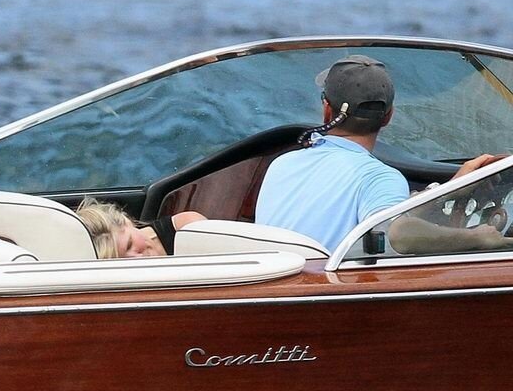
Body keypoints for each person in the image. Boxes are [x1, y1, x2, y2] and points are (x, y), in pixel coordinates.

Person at [256, 55, 500, 250]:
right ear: (388, 117)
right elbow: (396, 234)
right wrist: (477, 237)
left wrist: (450, 189)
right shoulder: (379, 177)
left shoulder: (281, 164)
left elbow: (387, 219)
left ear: (327, 110)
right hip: (329, 294)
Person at [74, 199, 203, 258]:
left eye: (129, 245)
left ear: (127, 221)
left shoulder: (188, 228)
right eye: (122, 262)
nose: (136, 258)